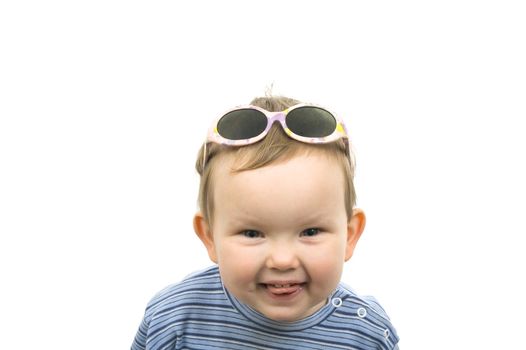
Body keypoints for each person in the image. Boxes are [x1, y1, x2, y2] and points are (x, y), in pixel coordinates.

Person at [131, 96, 399, 349]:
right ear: (209, 237)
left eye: (310, 231)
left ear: (350, 236)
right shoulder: (174, 319)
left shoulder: (366, 333)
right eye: (251, 233)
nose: (282, 260)